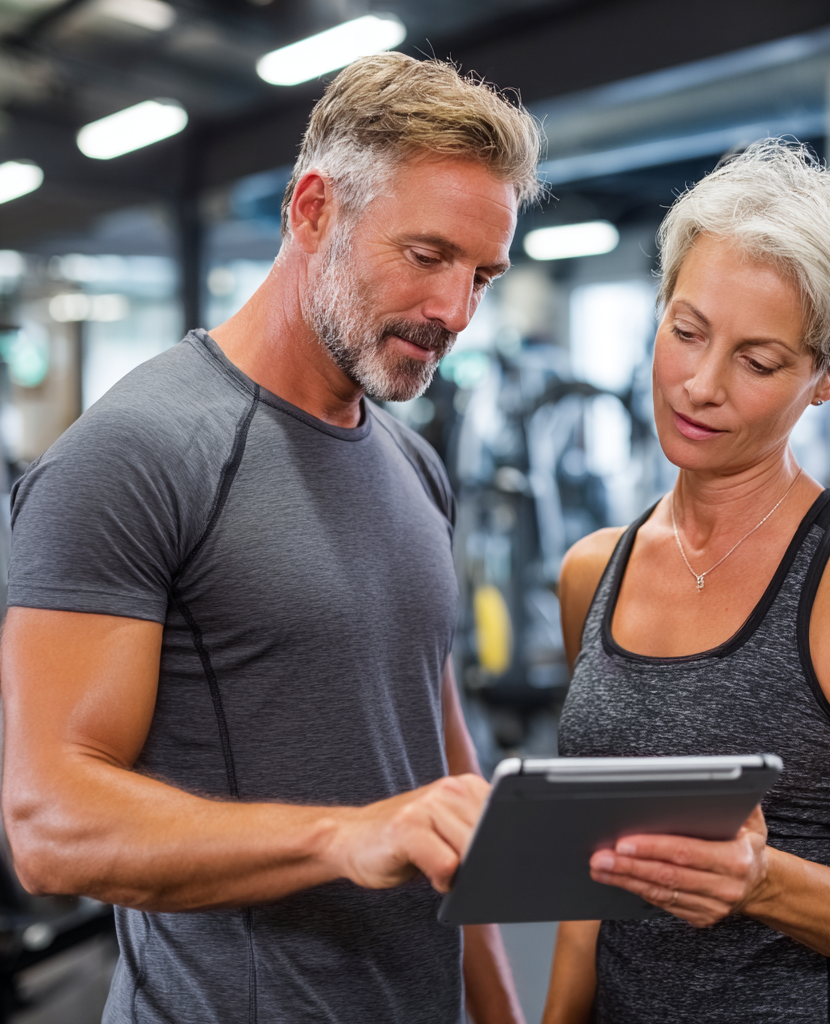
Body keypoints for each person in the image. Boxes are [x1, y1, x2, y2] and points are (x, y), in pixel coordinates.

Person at [1, 53, 541, 1024]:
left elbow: (448, 783)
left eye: (482, 275)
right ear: (311, 211)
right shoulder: (135, 453)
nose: (454, 311)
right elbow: (48, 825)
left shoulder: (411, 465)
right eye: (425, 256)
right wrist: (342, 837)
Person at [543, 141, 830, 1024]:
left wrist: (761, 882)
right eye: (686, 332)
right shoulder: (593, 573)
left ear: (829, 378)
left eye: (758, 361)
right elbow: (592, 887)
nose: (699, 386)